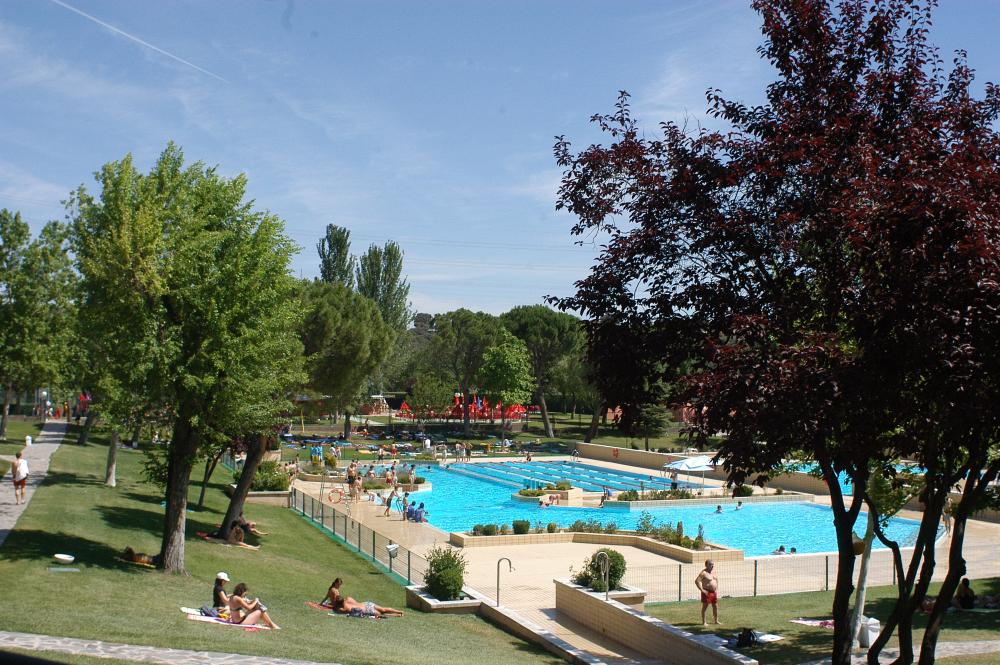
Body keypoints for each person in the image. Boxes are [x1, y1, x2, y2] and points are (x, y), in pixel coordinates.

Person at [695, 559, 721, 625]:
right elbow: (697, 581)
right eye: (710, 564)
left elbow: (716, 580)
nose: (712, 566)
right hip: (707, 592)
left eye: (712, 564)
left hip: (713, 592)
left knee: (715, 606)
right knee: (705, 607)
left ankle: (716, 621)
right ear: (706, 565)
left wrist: (716, 588)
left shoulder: (713, 572)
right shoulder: (703, 573)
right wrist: (702, 590)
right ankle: (704, 622)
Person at [332, 595, 404, 618]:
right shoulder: (348, 598)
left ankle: (396, 614)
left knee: (381, 614)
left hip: (367, 610)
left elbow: (336, 610)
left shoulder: (345, 608)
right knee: (383, 609)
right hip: (367, 604)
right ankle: (398, 612)